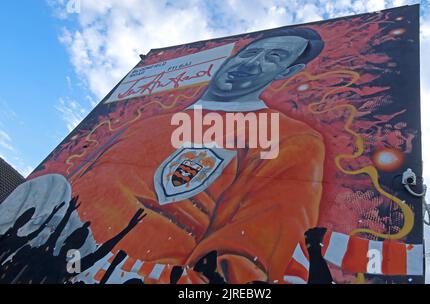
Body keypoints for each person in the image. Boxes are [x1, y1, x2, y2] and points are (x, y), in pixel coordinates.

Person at [69, 27, 326, 284]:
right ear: (230, 58)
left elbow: (245, 265)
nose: (253, 63)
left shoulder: (289, 138)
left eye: (274, 57)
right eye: (251, 52)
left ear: (287, 71)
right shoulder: (145, 126)